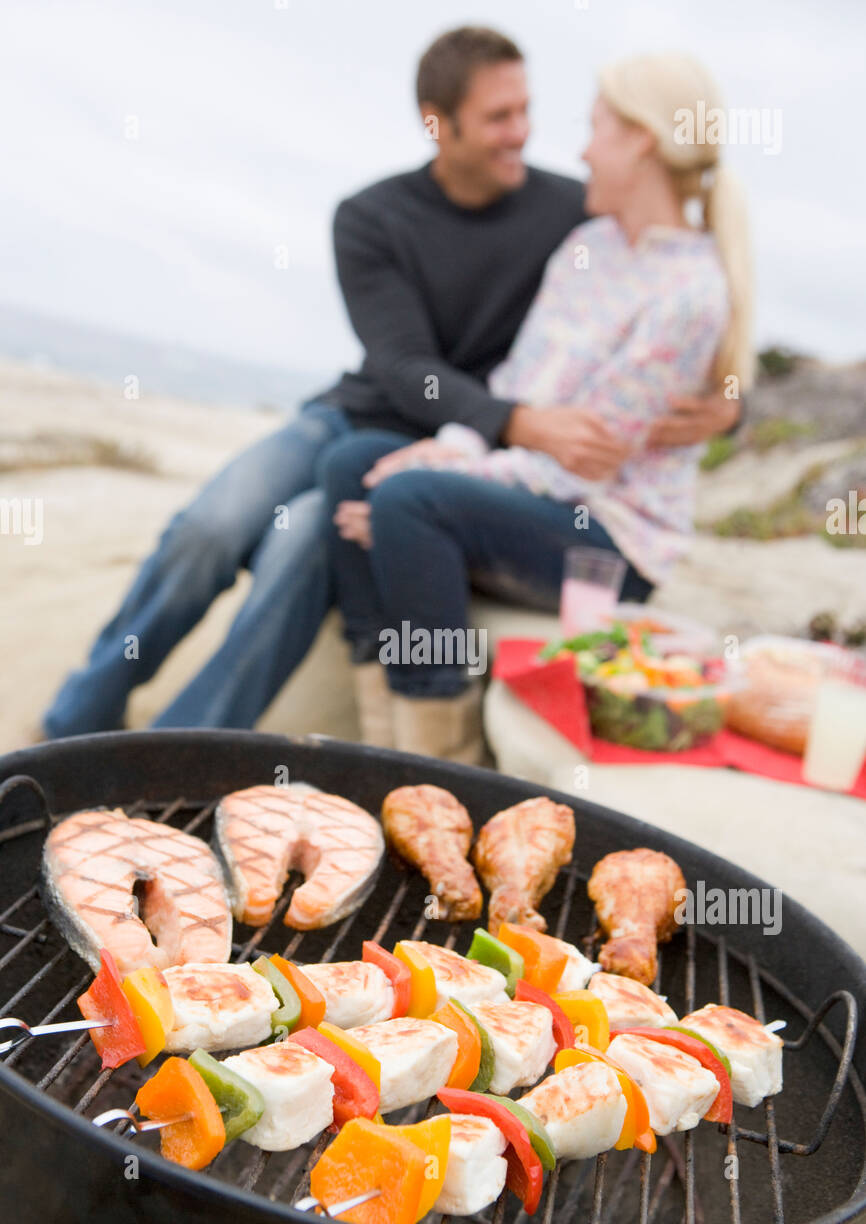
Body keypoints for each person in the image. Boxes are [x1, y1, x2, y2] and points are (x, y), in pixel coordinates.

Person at [40, 27, 737, 739]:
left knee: (302, 545)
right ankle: (77, 718)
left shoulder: (574, 211)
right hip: (371, 415)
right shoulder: (371, 218)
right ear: (439, 123)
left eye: (526, 110)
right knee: (210, 528)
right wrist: (515, 424)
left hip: (461, 449)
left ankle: (178, 749)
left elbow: (684, 324)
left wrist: (731, 408)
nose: (521, 134)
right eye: (499, 117)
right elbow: (408, 368)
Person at [321, 50, 753, 763]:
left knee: (406, 499)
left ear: (641, 140)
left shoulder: (691, 296)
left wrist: (436, 480)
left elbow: (582, 469)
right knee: (351, 463)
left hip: (608, 534)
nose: (580, 149)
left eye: (595, 129)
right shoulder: (587, 246)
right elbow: (517, 389)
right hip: (534, 484)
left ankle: (441, 764)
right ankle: (381, 740)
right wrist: (452, 451)